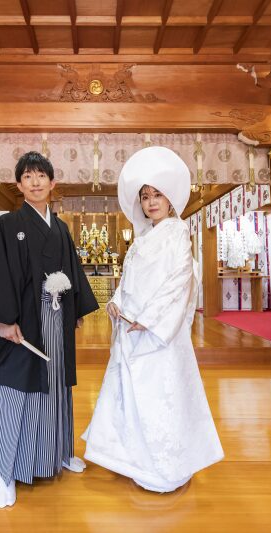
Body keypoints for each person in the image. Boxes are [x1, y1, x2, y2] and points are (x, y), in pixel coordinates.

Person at [82, 146, 224, 493]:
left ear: (170, 199)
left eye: (157, 195)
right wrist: (115, 301)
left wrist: (149, 319)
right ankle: (137, 458)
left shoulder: (177, 232)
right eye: (145, 197)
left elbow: (181, 279)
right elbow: (128, 279)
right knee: (134, 396)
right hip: (132, 329)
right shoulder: (142, 238)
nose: (150, 202)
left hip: (156, 332)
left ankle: (166, 465)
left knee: (160, 395)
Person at [0, 151, 99, 508]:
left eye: (41, 176)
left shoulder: (60, 228)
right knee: (18, 390)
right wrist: (2, 318)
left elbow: (73, 272)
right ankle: (6, 471)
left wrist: (75, 309)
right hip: (22, 322)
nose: (35, 182)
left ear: (52, 183)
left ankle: (59, 453)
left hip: (56, 319)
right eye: (27, 177)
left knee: (57, 385)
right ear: (18, 185)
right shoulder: (7, 226)